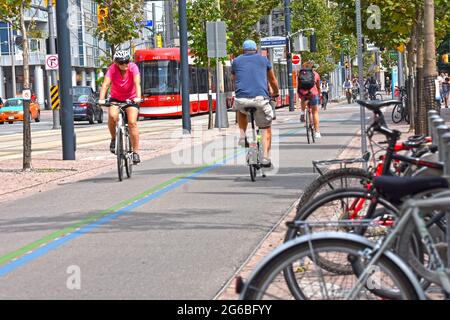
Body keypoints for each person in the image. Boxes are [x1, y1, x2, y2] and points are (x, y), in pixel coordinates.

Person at [231, 39, 280, 167]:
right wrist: (275, 93)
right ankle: (265, 158)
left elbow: (234, 79)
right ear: (256, 50)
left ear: (243, 50)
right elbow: (273, 80)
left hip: (242, 99)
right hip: (260, 99)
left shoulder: (236, 61)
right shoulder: (263, 60)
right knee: (266, 128)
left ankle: (242, 136)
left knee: (240, 110)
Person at [98, 50, 142, 164]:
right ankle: (113, 139)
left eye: (127, 61)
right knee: (112, 116)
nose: (125, 64)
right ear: (116, 63)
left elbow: (137, 83)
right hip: (116, 98)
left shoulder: (133, 68)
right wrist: (101, 99)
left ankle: (136, 152)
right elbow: (106, 84)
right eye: (122, 62)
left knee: (132, 122)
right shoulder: (112, 69)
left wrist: (138, 97)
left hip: (131, 98)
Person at [298, 61, 322, 139]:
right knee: (315, 112)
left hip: (303, 94)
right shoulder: (316, 74)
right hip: (313, 94)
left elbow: (299, 85)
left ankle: (302, 113)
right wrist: (319, 94)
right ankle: (317, 132)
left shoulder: (300, 73)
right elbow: (318, 86)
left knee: (303, 98)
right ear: (312, 67)